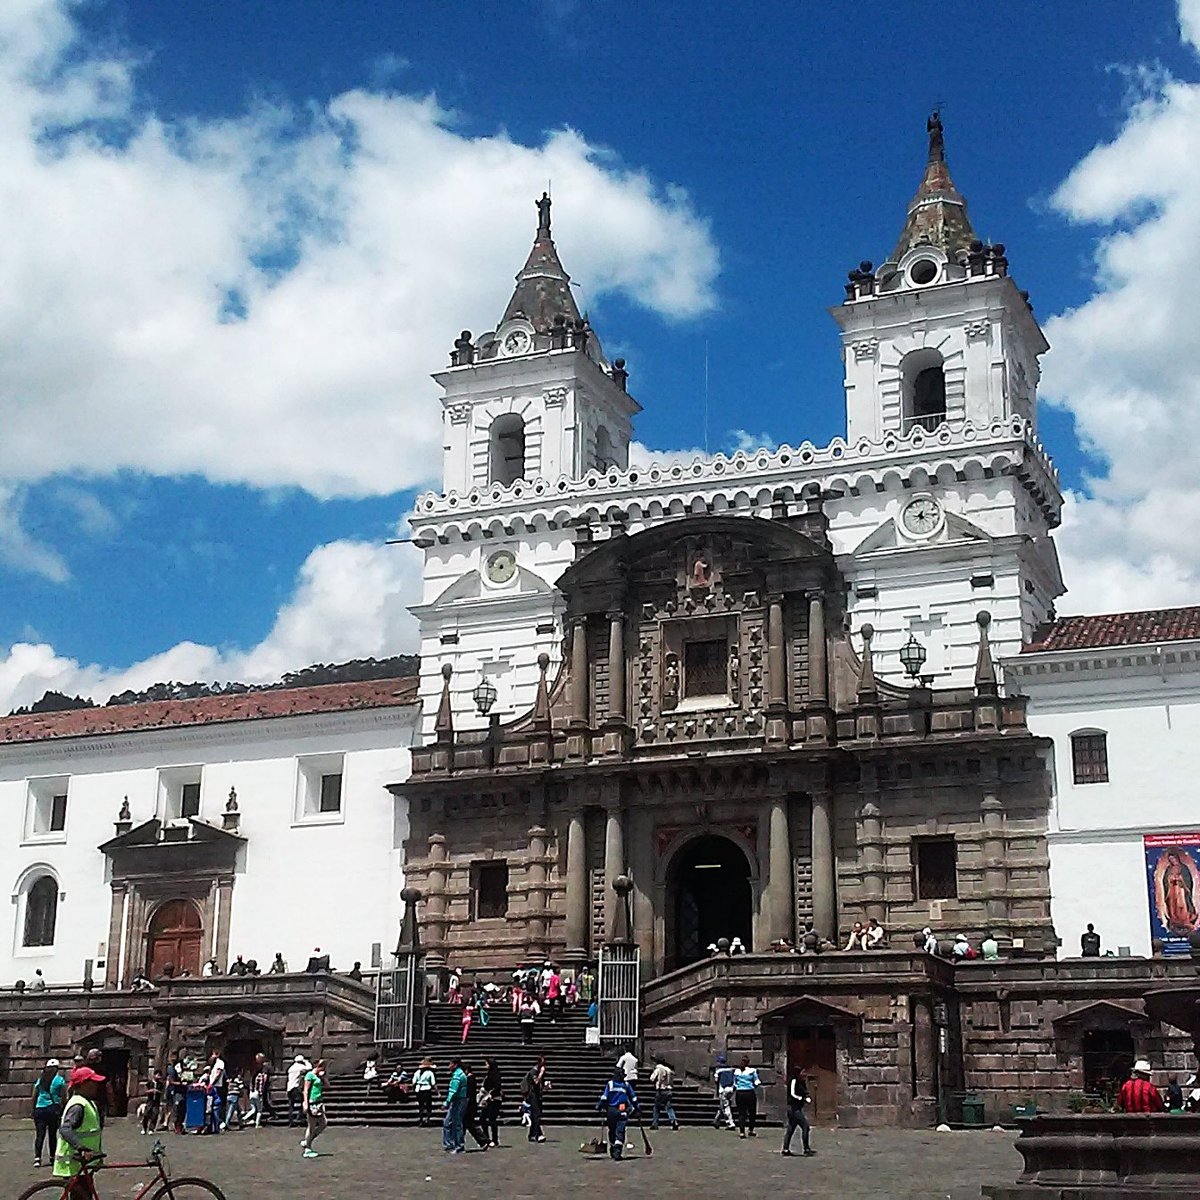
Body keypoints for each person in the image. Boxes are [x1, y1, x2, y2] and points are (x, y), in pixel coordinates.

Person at [54, 1065, 106, 1184]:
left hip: (85, 1163)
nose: (96, 1085)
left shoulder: (88, 1102)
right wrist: (81, 1147)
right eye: (93, 1082)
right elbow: (65, 1129)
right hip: (74, 1163)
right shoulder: (78, 1105)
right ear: (83, 1084)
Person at [596, 1067, 638, 1160]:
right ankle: (617, 1150)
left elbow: (604, 1097)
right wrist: (637, 1108)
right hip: (622, 1110)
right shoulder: (626, 1085)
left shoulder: (610, 1084)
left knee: (612, 1130)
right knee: (620, 1131)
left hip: (611, 1110)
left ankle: (613, 1147)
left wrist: (599, 1106)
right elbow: (633, 1098)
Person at [32, 1058, 66, 1167]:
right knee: (52, 1135)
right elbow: (63, 1096)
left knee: (39, 1135)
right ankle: (52, 1157)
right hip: (52, 1109)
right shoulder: (59, 1080)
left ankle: (37, 1158)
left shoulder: (40, 1080)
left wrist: (33, 1109)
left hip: (40, 1109)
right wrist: (62, 1108)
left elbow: (34, 1095)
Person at [781, 1068, 815, 1156]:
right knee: (805, 1126)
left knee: (791, 1128)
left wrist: (807, 1096)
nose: (805, 1074)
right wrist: (801, 1098)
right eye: (803, 1072)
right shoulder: (793, 1081)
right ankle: (806, 1149)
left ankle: (785, 1148)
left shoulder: (802, 1082)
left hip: (798, 1107)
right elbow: (792, 1093)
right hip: (793, 1108)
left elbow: (805, 1092)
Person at [300, 1059, 327, 1158]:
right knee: (311, 1126)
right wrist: (305, 1103)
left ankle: (308, 1141)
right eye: (321, 1066)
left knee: (323, 1124)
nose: (323, 1068)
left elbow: (328, 1086)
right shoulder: (309, 1075)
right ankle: (307, 1149)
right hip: (312, 1102)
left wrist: (323, 1077)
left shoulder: (319, 1076)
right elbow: (306, 1090)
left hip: (319, 1102)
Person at [442, 1056, 468, 1153]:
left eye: (450, 1064)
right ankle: (450, 1143)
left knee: (456, 1123)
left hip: (458, 1100)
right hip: (460, 1100)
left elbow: (453, 1091)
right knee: (448, 1122)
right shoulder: (459, 1074)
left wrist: (447, 1102)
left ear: (455, 1065)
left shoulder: (457, 1076)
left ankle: (458, 1146)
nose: (449, 1066)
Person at [463, 1063, 490, 1151]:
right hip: (471, 1105)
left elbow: (469, 1094)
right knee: (466, 1124)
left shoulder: (470, 1079)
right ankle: (459, 1143)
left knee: (469, 1124)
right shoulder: (472, 1079)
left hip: (469, 1105)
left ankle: (483, 1140)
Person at [733, 1056, 761, 1137]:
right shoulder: (752, 1071)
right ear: (748, 1063)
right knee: (752, 1112)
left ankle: (742, 1132)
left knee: (741, 1113)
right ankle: (751, 1130)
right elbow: (757, 1081)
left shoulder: (736, 1072)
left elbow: (734, 1083)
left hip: (739, 1093)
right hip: (749, 1092)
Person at [522, 1056, 549, 1143]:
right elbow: (536, 1082)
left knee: (535, 1116)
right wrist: (541, 1073)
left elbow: (540, 1084)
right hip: (532, 1095)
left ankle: (531, 1135)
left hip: (538, 1095)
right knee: (536, 1114)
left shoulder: (540, 1071)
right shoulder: (534, 1071)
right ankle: (538, 1134)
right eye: (543, 1063)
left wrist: (546, 1086)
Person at [649, 1058, 678, 1131]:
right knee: (669, 1107)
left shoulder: (658, 1070)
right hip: (668, 1090)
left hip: (660, 1091)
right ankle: (673, 1120)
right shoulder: (668, 1070)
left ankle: (655, 1123)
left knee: (656, 1107)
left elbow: (652, 1078)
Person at [480, 1058, 504, 1147]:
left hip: (494, 1099)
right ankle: (486, 1138)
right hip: (487, 1099)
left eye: (486, 1064)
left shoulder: (495, 1075)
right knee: (482, 1118)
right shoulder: (488, 1074)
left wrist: (490, 1094)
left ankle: (494, 1139)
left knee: (492, 1119)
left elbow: (497, 1086)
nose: (485, 1066)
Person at [286, 1054, 311, 1127]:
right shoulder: (299, 1067)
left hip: (289, 1088)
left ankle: (291, 1121)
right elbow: (309, 1068)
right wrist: (306, 1061)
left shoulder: (291, 1068)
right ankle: (301, 1118)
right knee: (304, 1100)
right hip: (295, 1088)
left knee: (291, 1105)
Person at [713, 1055, 736, 1129]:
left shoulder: (718, 1070)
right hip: (731, 1089)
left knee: (725, 1107)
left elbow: (716, 1081)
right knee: (722, 1105)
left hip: (723, 1089)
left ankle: (730, 1123)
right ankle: (716, 1120)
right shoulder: (730, 1069)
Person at [413, 1058, 437, 1125]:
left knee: (421, 1106)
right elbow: (433, 1083)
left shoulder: (417, 1072)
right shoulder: (430, 1073)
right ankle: (428, 1119)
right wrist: (437, 1092)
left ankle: (421, 1119)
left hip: (419, 1090)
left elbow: (413, 1082)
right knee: (428, 1105)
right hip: (426, 1090)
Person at [142, 1070, 163, 1136]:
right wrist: (151, 1090)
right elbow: (145, 1091)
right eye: (157, 1075)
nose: (158, 1077)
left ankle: (151, 1129)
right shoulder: (149, 1083)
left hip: (156, 1101)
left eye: (160, 1075)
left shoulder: (160, 1084)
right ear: (154, 1075)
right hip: (150, 1101)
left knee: (155, 1114)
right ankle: (144, 1128)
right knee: (146, 1114)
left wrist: (157, 1091)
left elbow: (162, 1092)